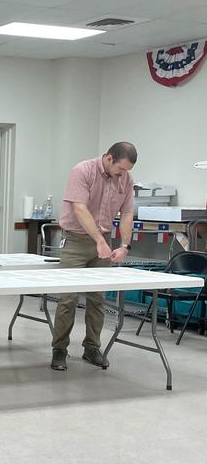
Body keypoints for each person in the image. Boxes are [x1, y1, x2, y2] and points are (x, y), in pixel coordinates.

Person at [51, 142, 137, 371]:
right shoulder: (82, 171)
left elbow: (127, 213)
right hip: (77, 241)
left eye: (127, 171)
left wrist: (125, 245)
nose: (123, 174)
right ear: (108, 158)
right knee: (68, 298)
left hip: (105, 241)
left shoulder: (126, 180)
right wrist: (99, 240)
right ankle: (59, 350)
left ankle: (92, 348)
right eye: (121, 169)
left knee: (97, 298)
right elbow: (80, 208)